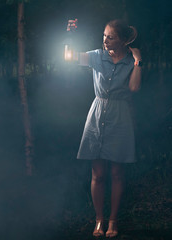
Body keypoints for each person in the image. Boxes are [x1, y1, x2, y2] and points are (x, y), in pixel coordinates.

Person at [65, 19, 142, 238]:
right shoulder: (98, 56)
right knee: (98, 173)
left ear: (124, 40)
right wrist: (69, 37)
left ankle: (113, 220)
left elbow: (134, 87)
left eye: (111, 37)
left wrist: (138, 60)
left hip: (120, 116)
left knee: (117, 173)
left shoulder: (130, 60)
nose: (105, 40)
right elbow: (68, 58)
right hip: (97, 113)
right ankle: (99, 219)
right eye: (104, 35)